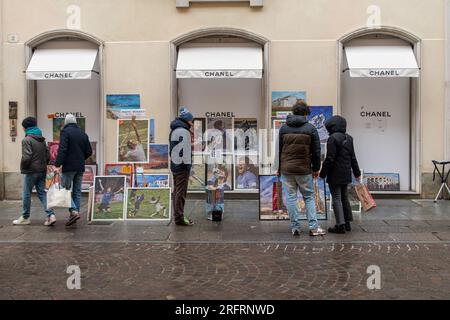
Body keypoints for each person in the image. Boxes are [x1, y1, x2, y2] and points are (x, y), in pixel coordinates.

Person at [273, 100, 326, 237]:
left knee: (291, 198)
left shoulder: (284, 128)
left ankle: (295, 227)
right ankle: (313, 228)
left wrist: (277, 168)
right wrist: (316, 168)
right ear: (305, 113)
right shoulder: (311, 129)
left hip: (286, 169)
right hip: (304, 170)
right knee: (308, 197)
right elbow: (316, 151)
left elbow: (278, 150)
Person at [320, 115, 361, 234]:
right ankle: (347, 223)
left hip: (335, 174)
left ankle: (340, 225)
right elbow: (353, 157)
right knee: (344, 197)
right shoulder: (349, 138)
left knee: (336, 198)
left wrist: (323, 173)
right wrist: (357, 172)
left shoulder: (333, 138)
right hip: (346, 173)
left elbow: (330, 158)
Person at [13, 117, 56, 226]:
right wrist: (44, 164)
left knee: (26, 193)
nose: (22, 128)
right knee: (42, 193)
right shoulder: (41, 138)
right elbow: (47, 155)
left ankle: (25, 217)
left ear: (26, 127)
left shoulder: (26, 140)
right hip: (42, 170)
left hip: (31, 171)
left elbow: (26, 157)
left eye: (23, 126)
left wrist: (23, 167)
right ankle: (51, 215)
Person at [55, 114, 92, 226]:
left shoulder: (65, 132)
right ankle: (74, 214)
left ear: (66, 122)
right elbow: (89, 151)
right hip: (80, 167)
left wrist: (58, 164)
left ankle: (74, 211)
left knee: (64, 190)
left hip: (68, 167)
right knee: (77, 191)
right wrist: (81, 158)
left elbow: (62, 149)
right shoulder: (83, 134)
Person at [169, 107, 195, 226]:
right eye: (191, 120)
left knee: (177, 191)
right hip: (182, 166)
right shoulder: (183, 131)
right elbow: (184, 151)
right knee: (180, 192)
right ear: (187, 120)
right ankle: (179, 218)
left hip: (175, 165)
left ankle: (177, 216)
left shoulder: (176, 129)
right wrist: (188, 166)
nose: (192, 123)